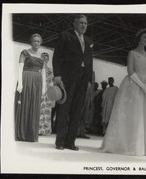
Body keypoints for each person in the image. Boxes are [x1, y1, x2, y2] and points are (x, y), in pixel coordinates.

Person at [101, 29, 146, 156]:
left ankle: (144, 147)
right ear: (139, 39)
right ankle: (129, 145)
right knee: (134, 114)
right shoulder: (132, 53)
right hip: (134, 85)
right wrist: (142, 86)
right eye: (144, 37)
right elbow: (130, 71)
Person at [52, 14, 93, 151]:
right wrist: (57, 75)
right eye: (81, 22)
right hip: (68, 77)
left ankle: (70, 142)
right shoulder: (65, 36)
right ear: (74, 24)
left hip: (82, 79)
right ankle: (60, 141)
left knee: (77, 110)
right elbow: (57, 56)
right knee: (65, 108)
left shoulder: (88, 41)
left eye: (85, 23)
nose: (83, 25)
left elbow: (89, 61)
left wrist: (88, 80)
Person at [14, 33, 46, 142]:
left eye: (38, 41)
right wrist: (20, 83)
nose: (36, 43)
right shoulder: (25, 53)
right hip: (26, 79)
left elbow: (44, 72)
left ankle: (31, 134)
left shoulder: (43, 55)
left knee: (34, 106)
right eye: (34, 41)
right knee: (24, 104)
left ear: (40, 42)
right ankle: (21, 133)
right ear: (31, 42)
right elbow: (20, 68)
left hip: (37, 82)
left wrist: (44, 88)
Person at [77, 71, 95, 139]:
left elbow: (92, 87)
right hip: (81, 95)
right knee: (78, 114)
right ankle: (76, 131)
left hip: (88, 96)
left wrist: (91, 99)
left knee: (85, 115)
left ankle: (82, 132)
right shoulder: (81, 71)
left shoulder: (92, 73)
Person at [39, 53, 54, 135]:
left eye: (46, 59)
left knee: (47, 111)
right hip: (40, 90)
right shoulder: (38, 69)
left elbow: (51, 82)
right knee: (39, 110)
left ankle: (45, 130)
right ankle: (38, 130)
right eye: (43, 58)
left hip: (47, 92)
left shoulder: (50, 70)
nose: (45, 60)